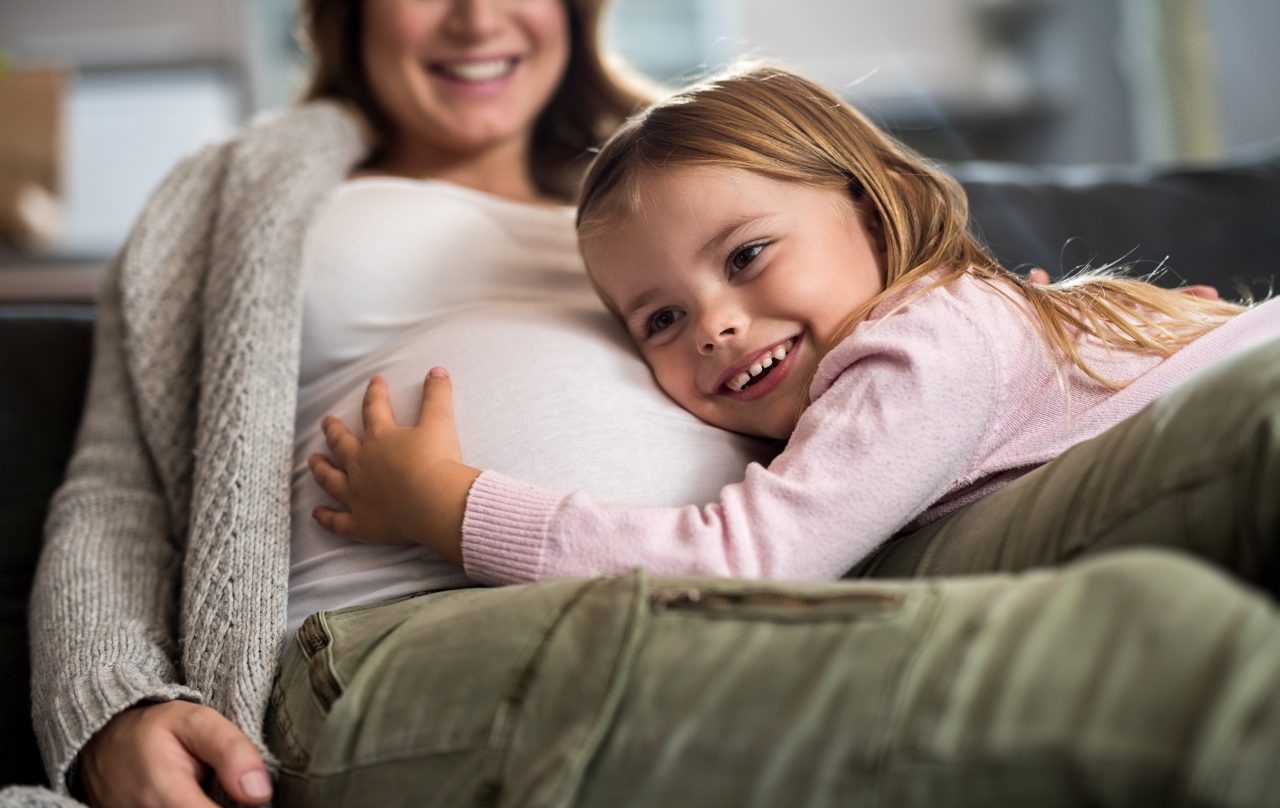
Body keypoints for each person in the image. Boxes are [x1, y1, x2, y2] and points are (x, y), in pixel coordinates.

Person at [10, 10, 1280, 808]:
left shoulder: (697, 153)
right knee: (1150, 656)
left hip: (840, 565)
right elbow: (118, 485)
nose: (470, 14)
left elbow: (949, 360)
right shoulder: (239, 186)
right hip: (395, 630)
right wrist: (111, 704)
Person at [307, 65, 1279, 587]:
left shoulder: (922, 347)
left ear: (874, 205)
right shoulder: (970, 330)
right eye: (659, 317)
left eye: (744, 257)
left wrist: (454, 507)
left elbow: (742, 561)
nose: (715, 326)